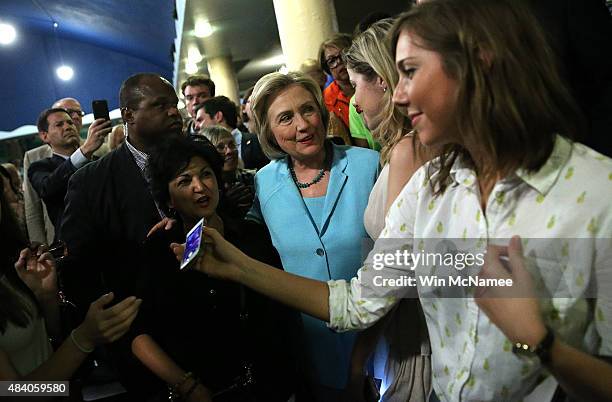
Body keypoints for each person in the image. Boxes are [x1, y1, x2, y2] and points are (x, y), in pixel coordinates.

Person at [184, 1, 612, 401]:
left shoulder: (597, 194)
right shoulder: (429, 188)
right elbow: (356, 303)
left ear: (478, 62)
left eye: (409, 71)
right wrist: (237, 265)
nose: (400, 96)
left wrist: (539, 343)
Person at [246, 71, 379, 400]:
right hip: (310, 356)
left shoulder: (370, 166)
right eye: (286, 118)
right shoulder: (262, 185)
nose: (303, 126)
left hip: (379, 349)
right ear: (269, 132)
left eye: (307, 110)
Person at [132, 135, 295, 401]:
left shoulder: (250, 237)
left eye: (206, 175)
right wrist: (188, 387)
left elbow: (281, 314)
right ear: (169, 199)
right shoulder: (159, 250)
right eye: (184, 181)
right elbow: (140, 334)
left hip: (267, 388)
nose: (200, 187)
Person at [59, 73, 184, 396]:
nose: (174, 112)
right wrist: (114, 326)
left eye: (174, 104)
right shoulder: (91, 182)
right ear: (128, 115)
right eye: (160, 105)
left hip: (209, 325)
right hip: (142, 338)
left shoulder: (193, 159)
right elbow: (78, 269)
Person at [344, 18, 435, 401]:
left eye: (354, 86)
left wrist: (360, 353)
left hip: (412, 333)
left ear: (381, 79)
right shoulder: (401, 149)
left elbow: (395, 277)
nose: (353, 101)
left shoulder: (406, 151)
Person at [0, 188, 141, 381]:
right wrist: (83, 339)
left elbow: (48, 343)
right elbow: (13, 394)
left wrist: (46, 297)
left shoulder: (13, 262)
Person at [28, 108, 111, 241]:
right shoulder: (40, 167)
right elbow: (47, 188)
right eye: (59, 125)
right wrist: (83, 152)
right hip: (75, 247)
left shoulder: (98, 161)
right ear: (44, 136)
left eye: (70, 123)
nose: (67, 127)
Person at [195, 96, 269, 170]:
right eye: (220, 147)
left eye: (200, 120)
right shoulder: (203, 152)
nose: (196, 126)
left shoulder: (257, 141)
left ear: (218, 116)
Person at [202, 125, 255, 219]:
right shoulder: (204, 190)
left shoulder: (254, 178)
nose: (229, 151)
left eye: (231, 145)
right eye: (220, 147)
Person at [319, 33, 355, 145]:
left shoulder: (372, 81)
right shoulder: (326, 100)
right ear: (327, 69)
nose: (339, 62)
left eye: (344, 55)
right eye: (332, 61)